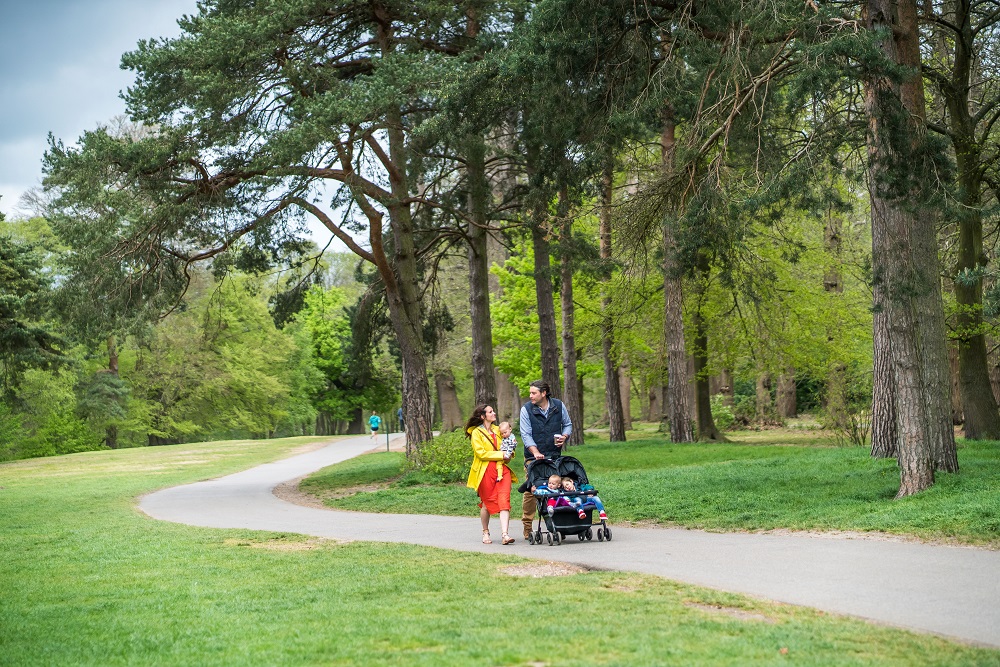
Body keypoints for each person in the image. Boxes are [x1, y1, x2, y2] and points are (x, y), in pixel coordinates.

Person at [519, 380, 573, 539]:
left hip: (554, 455)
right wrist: (535, 452)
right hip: (532, 457)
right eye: (530, 393)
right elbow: (526, 434)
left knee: (555, 487)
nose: (530, 396)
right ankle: (527, 527)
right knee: (531, 490)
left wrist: (565, 436)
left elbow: (568, 424)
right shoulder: (526, 410)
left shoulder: (558, 405)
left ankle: (557, 524)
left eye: (533, 393)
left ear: (544, 393)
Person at [465, 404, 518, 545]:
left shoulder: (498, 429)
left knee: (504, 500)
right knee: (486, 504)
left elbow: (508, 442)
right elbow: (481, 453)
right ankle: (485, 532)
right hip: (485, 471)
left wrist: (510, 454)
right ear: (483, 416)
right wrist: (501, 454)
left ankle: (505, 535)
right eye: (490, 412)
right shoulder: (476, 433)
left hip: (501, 470)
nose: (494, 413)